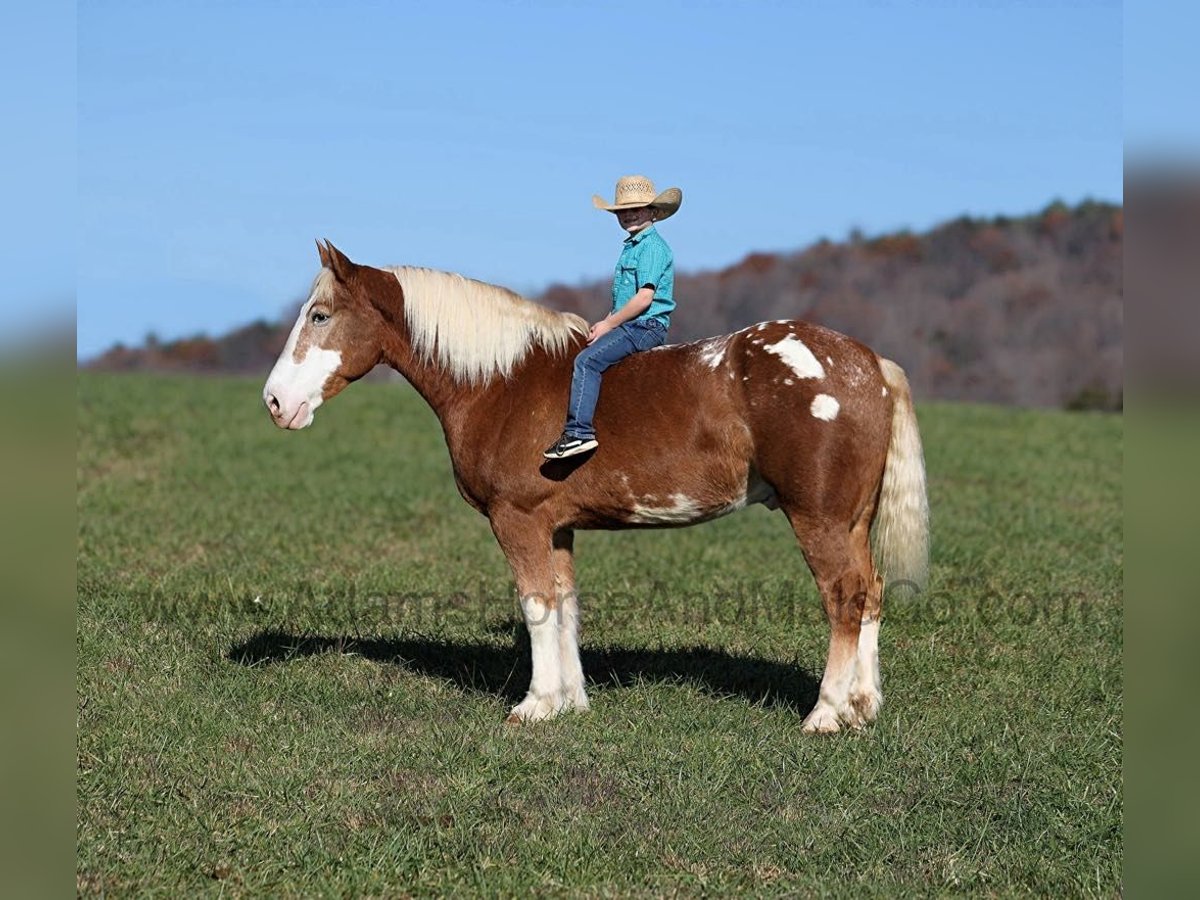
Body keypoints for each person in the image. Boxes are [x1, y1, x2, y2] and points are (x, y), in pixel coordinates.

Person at [543, 175, 682, 459]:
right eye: (623, 211)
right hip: (630, 323)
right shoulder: (632, 247)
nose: (629, 215)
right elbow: (624, 301)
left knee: (587, 361)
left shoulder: (653, 247)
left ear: (653, 212)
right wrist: (604, 323)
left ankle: (579, 433)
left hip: (646, 325)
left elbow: (644, 298)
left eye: (637, 209)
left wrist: (609, 324)